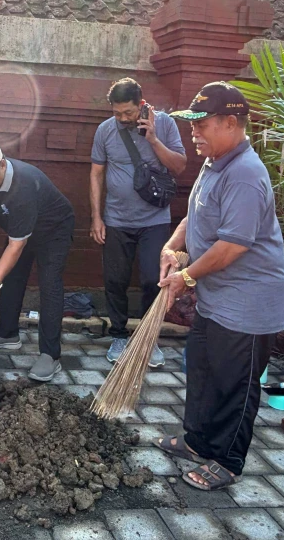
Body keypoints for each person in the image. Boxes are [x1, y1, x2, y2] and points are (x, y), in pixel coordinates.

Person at [154, 82, 284, 491]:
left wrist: (186, 277)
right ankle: (197, 441)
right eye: (191, 124)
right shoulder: (215, 163)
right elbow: (193, 217)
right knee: (201, 369)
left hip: (248, 302)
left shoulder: (245, 173)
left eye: (202, 124)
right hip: (217, 298)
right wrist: (171, 248)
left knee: (235, 383)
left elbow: (232, 246)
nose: (193, 132)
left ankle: (228, 461)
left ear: (231, 123)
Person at [89, 77, 186, 367]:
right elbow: (96, 173)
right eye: (117, 113)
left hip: (154, 220)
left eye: (128, 112)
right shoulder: (106, 130)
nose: (122, 118)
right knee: (115, 280)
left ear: (141, 104)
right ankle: (118, 335)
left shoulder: (165, 124)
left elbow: (179, 166)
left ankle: (147, 338)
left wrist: (153, 138)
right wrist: (96, 217)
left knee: (152, 280)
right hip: (116, 219)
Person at [0, 139, 75, 382]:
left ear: (2, 165)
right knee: (12, 277)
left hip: (53, 230)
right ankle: (7, 333)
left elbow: (16, 245)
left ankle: (50, 355)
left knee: (50, 285)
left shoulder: (23, 186)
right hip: (21, 229)